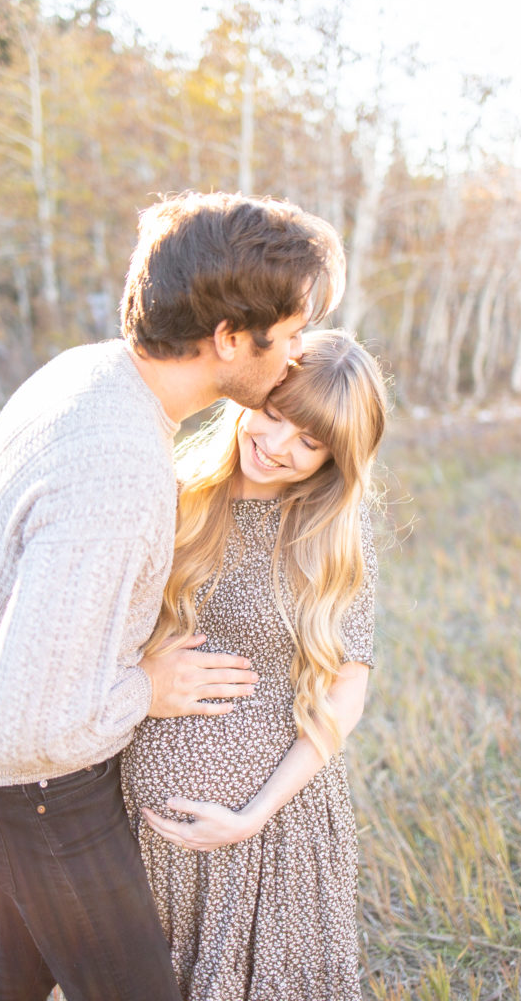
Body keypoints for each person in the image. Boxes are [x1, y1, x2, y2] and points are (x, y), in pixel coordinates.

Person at [0, 191, 345, 1001]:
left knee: (18, 969)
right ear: (229, 338)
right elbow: (19, 729)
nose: (296, 356)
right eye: (290, 334)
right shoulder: (118, 467)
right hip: (36, 793)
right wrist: (144, 688)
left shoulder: (83, 371)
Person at [120, 328, 387, 1001]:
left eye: (310, 443)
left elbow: (343, 697)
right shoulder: (169, 492)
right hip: (138, 829)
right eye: (275, 417)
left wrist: (254, 813)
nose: (278, 448)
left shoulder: (330, 541)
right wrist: (141, 678)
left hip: (270, 834)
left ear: (335, 458)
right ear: (251, 393)